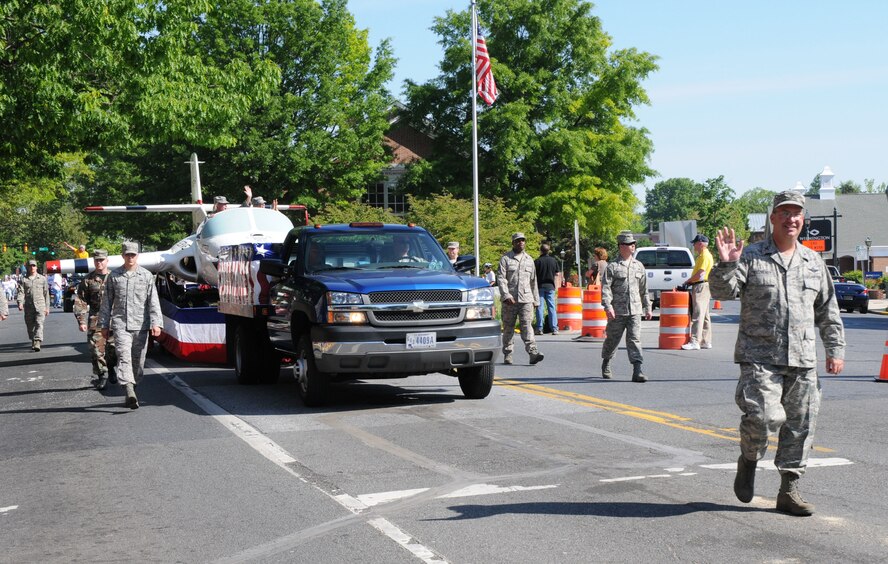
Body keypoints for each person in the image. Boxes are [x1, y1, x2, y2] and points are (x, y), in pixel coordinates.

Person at [710, 191, 845, 517]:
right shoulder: (752, 256)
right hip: (759, 357)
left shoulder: (813, 262)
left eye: (796, 213)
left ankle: (789, 490)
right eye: (784, 213)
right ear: (773, 218)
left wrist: (835, 348)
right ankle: (750, 459)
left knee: (800, 425)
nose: (791, 219)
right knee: (765, 418)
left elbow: (828, 309)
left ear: (803, 220)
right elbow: (722, 292)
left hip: (802, 358)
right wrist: (727, 262)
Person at [99, 242, 163, 409]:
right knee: (124, 357)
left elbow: (153, 301)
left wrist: (157, 323)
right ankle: (128, 390)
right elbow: (106, 302)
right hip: (121, 325)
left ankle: (132, 385)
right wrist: (104, 325)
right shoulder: (114, 276)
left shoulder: (147, 276)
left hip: (141, 325)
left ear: (137, 256)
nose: (130, 257)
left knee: (138, 362)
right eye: (127, 254)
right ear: (122, 256)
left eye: (133, 255)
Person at [600, 231, 652, 382]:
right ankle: (607, 362)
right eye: (629, 244)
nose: (633, 246)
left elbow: (644, 289)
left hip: (635, 310)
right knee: (612, 340)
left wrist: (647, 307)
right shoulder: (613, 267)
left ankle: (638, 370)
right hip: (617, 311)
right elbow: (606, 288)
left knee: (634, 339)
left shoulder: (639, 266)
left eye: (633, 244)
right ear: (621, 246)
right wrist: (608, 306)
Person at [497, 232, 544, 365]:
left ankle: (532, 352)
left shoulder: (529, 260)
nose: (521, 242)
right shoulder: (506, 259)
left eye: (523, 240)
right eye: (518, 241)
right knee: (508, 327)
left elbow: (533, 281)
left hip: (526, 299)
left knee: (527, 326)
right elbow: (501, 279)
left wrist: (536, 300)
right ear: (513, 243)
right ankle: (508, 353)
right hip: (510, 301)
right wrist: (506, 295)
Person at [74, 249, 118, 391]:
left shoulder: (116, 277)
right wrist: (81, 320)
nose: (99, 263)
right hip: (96, 319)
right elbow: (80, 300)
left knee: (113, 349)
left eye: (101, 260)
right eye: (97, 260)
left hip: (114, 319)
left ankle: (111, 368)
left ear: (107, 261)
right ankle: (102, 375)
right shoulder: (88, 280)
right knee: (96, 350)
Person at [681, 234, 714, 350]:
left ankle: (695, 341)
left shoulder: (704, 255)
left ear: (700, 243)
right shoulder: (704, 255)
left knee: (698, 313)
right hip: (703, 285)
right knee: (704, 315)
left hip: (701, 286)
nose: (693, 246)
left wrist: (688, 281)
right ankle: (705, 341)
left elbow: (701, 273)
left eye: (695, 243)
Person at [17, 259, 50, 351]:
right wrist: (20, 303)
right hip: (28, 306)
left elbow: (46, 294)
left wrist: (47, 307)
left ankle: (37, 341)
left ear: (36, 267)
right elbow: (21, 292)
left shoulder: (42, 279)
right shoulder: (24, 280)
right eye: (30, 266)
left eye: (34, 266)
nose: (32, 267)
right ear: (27, 267)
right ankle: (33, 339)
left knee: (39, 323)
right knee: (30, 326)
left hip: (40, 306)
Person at [534, 243, 561, 335]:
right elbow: (557, 274)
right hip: (550, 287)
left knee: (539, 307)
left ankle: (539, 328)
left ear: (540, 250)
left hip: (540, 286)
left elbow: (533, 275)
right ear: (548, 251)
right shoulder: (553, 261)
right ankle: (554, 328)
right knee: (551, 307)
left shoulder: (537, 261)